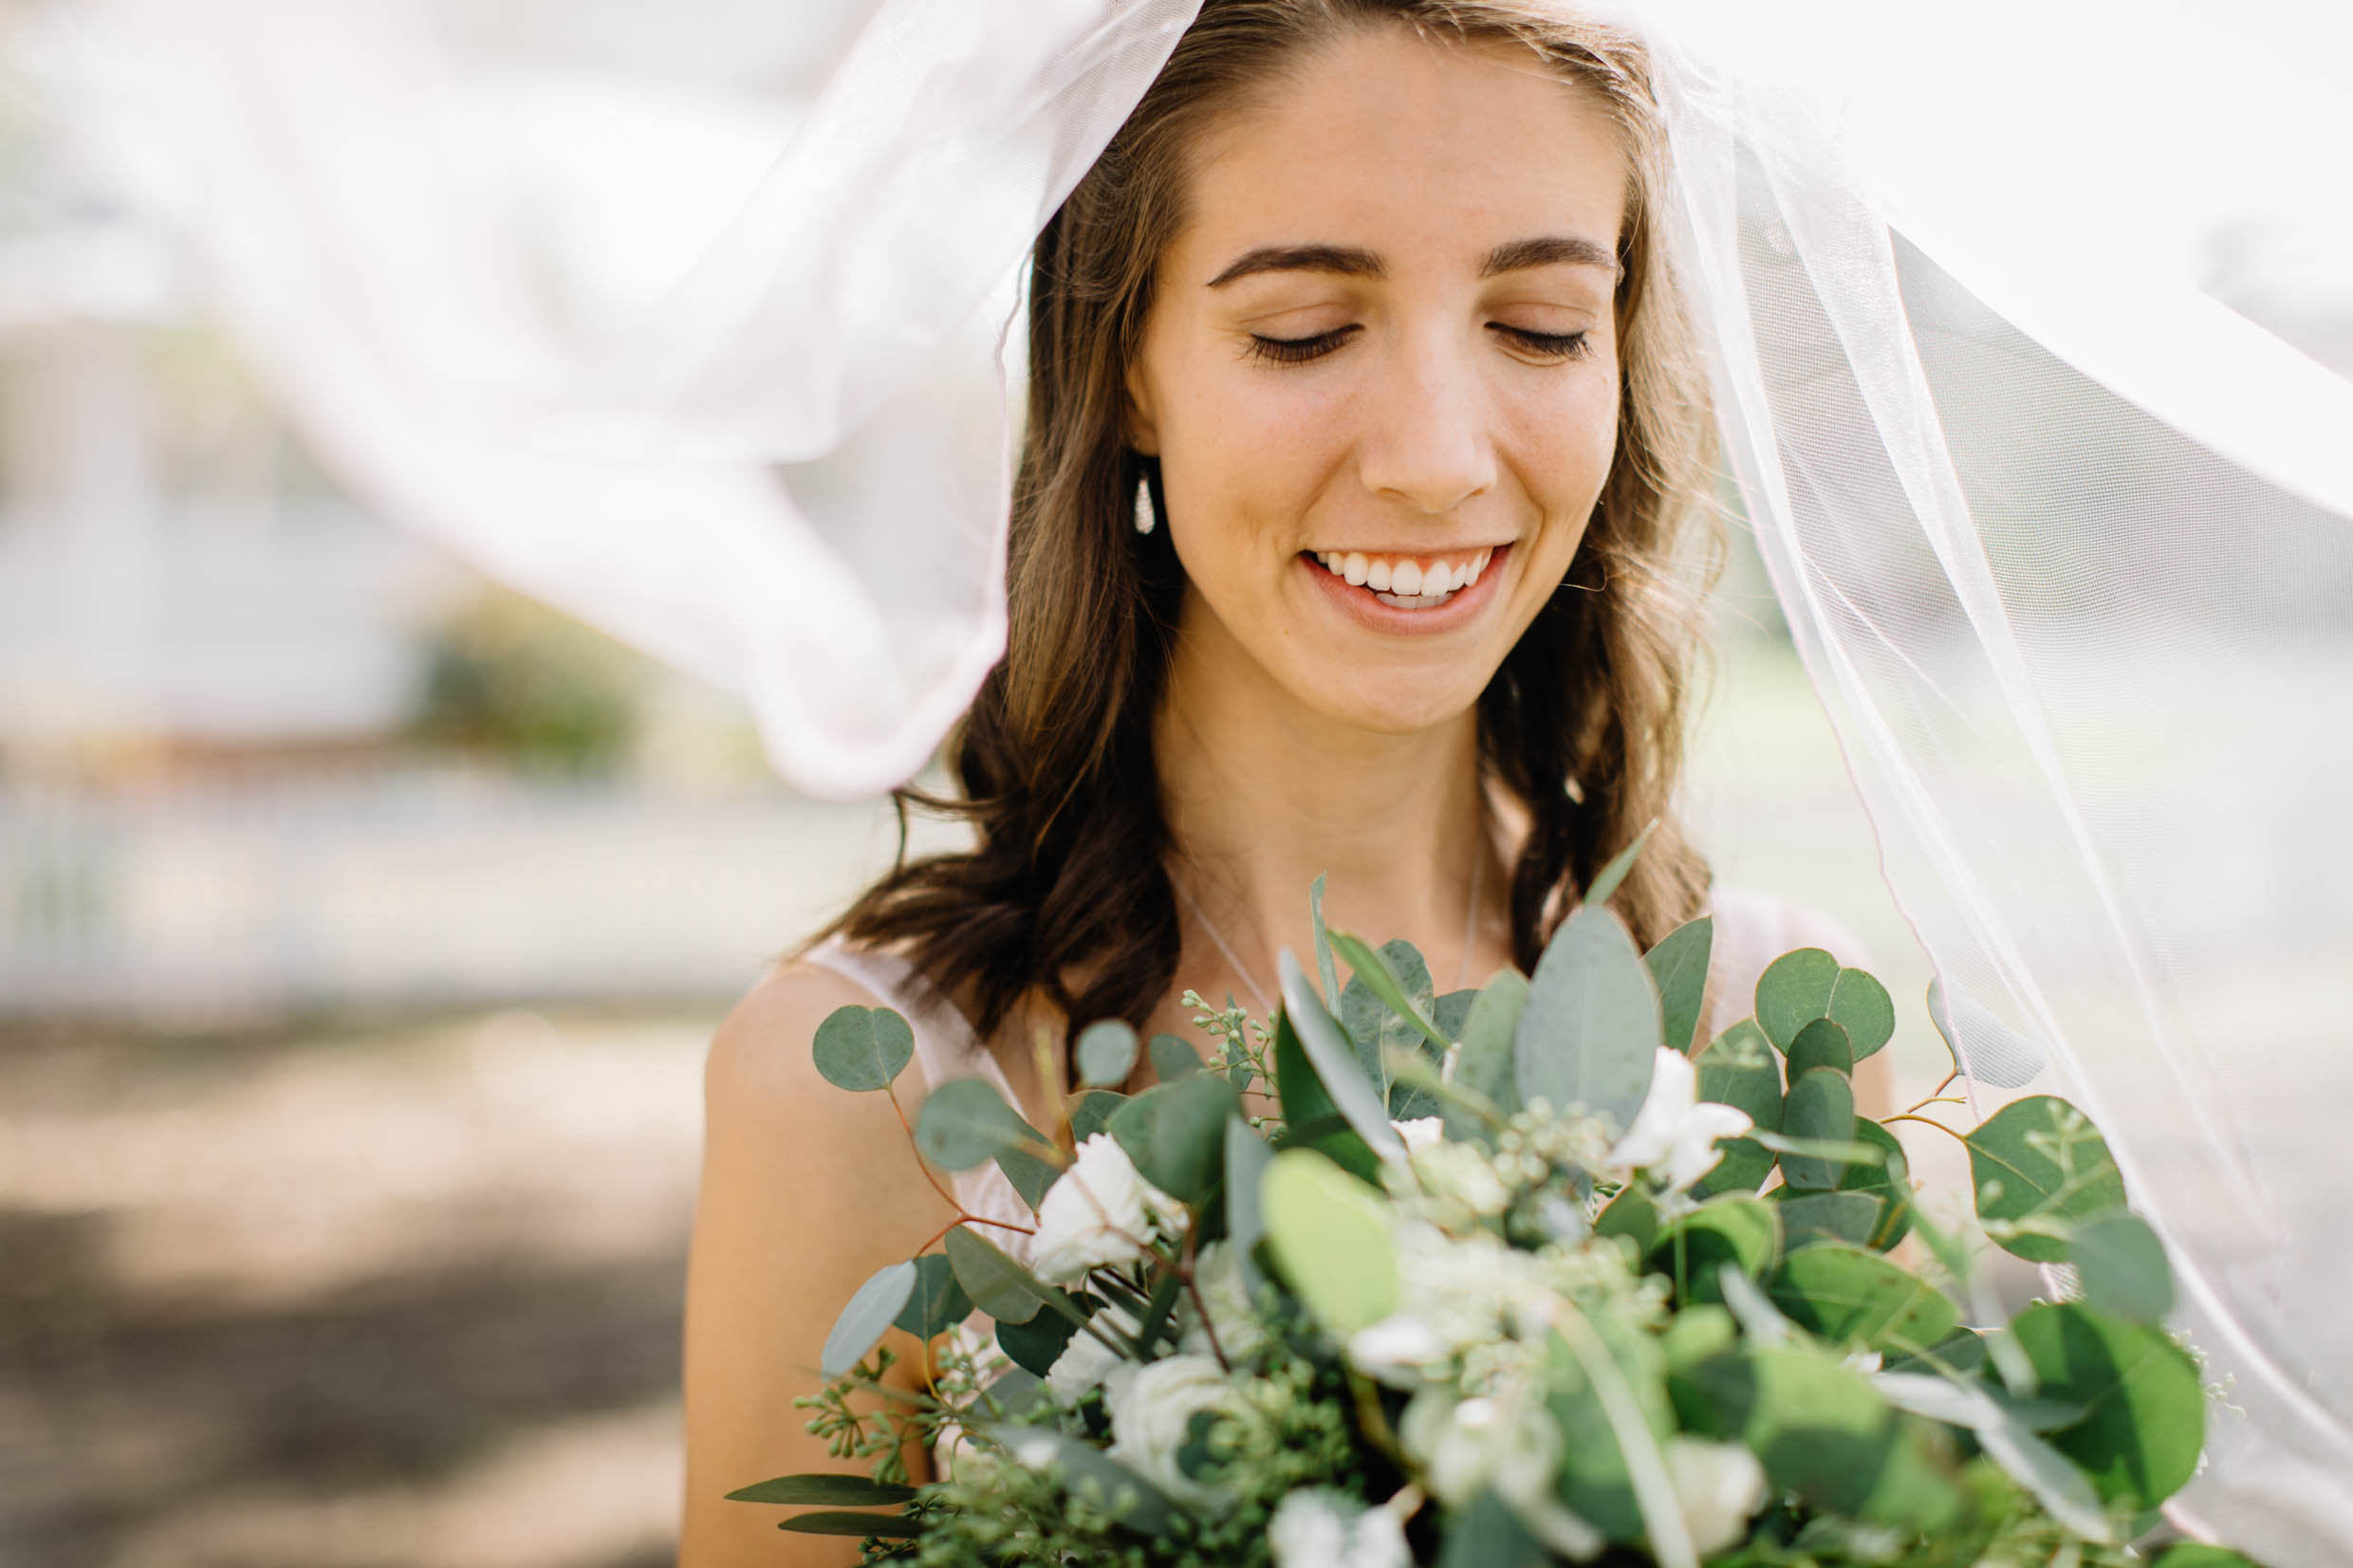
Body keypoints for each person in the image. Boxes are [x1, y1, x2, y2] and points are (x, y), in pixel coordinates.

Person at [679, 3, 1882, 1561]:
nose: (1440, 458)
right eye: (1305, 331)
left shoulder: (1779, 1041)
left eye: (1538, 326)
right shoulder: (869, 1092)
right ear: (1125, 361)